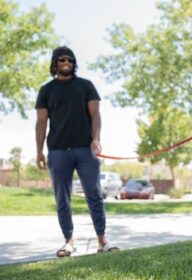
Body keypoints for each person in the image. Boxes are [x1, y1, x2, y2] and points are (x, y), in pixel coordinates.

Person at [35, 46, 118, 257]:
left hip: (85, 150)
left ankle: (102, 241)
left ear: (74, 63)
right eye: (61, 59)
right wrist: (39, 152)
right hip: (58, 151)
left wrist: (96, 139)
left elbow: (96, 115)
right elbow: (41, 122)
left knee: (94, 194)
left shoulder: (86, 86)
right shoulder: (46, 90)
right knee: (62, 198)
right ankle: (69, 241)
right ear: (55, 63)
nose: (66, 62)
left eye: (70, 60)